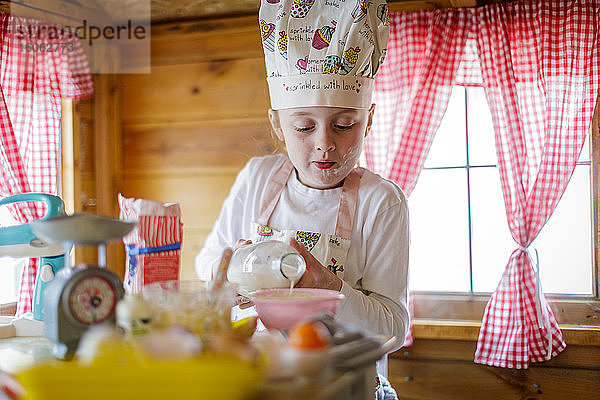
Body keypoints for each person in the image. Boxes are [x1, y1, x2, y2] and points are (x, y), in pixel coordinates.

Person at [195, 1, 407, 398]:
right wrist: (231, 275)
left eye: (345, 125)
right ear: (277, 122)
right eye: (304, 126)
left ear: (369, 119)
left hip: (345, 385)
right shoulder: (258, 178)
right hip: (264, 382)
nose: (324, 145)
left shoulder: (382, 202)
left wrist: (326, 286)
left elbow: (392, 328)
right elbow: (208, 260)